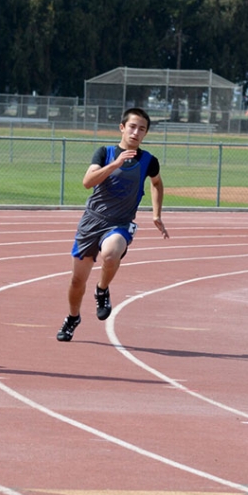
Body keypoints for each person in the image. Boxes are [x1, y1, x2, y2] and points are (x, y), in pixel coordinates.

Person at [56, 107, 169, 343]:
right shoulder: (104, 153)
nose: (136, 132)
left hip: (120, 223)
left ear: (146, 134)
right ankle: (72, 317)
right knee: (77, 281)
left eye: (142, 129)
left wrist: (156, 214)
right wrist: (116, 164)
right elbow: (88, 182)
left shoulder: (149, 161)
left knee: (110, 254)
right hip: (92, 221)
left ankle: (102, 289)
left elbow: (157, 184)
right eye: (132, 127)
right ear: (122, 128)